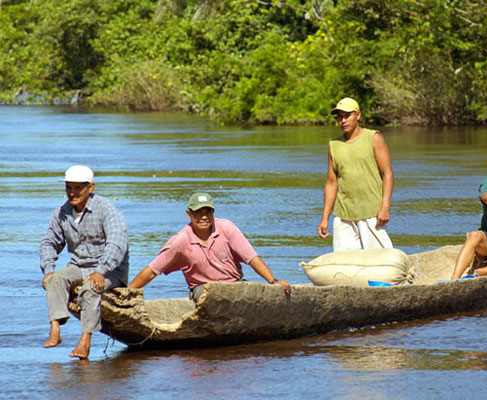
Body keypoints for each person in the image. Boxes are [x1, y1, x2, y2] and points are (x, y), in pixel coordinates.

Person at [128, 192, 291, 299]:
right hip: (204, 290)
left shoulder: (226, 228)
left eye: (208, 212)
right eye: (198, 213)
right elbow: (152, 271)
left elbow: (252, 258)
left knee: (253, 295)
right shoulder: (180, 241)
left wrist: (273, 281)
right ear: (189, 214)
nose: (204, 217)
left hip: (234, 284)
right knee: (209, 296)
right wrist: (127, 292)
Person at [40, 165, 129, 359]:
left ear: (90, 188)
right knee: (56, 279)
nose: (72, 193)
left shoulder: (107, 210)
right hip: (79, 266)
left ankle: (85, 339)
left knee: (90, 289)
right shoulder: (62, 212)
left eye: (78, 188)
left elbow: (117, 244)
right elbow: (49, 242)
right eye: (69, 188)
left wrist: (101, 271)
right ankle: (55, 327)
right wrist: (48, 269)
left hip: (111, 271)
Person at [317, 97, 394, 251]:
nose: (342, 120)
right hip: (343, 215)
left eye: (347, 116)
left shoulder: (374, 138)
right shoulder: (334, 145)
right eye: (339, 117)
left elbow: (387, 174)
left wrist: (385, 206)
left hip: (371, 212)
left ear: (358, 115)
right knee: (345, 264)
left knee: (381, 259)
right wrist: (325, 218)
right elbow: (331, 183)